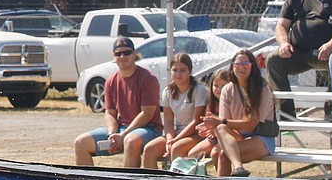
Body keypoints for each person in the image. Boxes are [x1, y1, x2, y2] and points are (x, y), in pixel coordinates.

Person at [73, 37, 163, 168]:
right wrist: (112, 135)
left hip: (149, 129)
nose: (122, 56)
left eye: (126, 52)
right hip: (121, 129)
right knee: (81, 143)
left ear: (134, 54)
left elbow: (147, 114)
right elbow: (110, 113)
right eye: (118, 53)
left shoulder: (148, 79)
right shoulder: (110, 81)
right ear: (113, 56)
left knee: (130, 141)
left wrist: (123, 135)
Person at [204, 49, 276, 177]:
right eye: (237, 65)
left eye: (246, 65)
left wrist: (221, 122)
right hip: (238, 136)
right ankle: (237, 169)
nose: (241, 68)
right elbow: (225, 125)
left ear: (252, 67)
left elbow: (251, 125)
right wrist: (213, 124)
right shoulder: (227, 89)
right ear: (232, 67)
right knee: (220, 128)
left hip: (261, 138)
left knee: (223, 155)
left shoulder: (263, 88)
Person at [143, 53, 208, 168]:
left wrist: (175, 140)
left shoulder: (199, 90)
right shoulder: (168, 91)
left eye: (182, 70)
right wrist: (169, 139)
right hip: (176, 134)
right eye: (175, 70)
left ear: (190, 71)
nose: (178, 74)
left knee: (177, 147)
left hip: (196, 134)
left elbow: (196, 121)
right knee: (149, 149)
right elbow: (168, 122)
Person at [185, 69, 232, 162]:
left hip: (228, 137)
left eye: (223, 86)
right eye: (216, 86)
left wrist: (213, 130)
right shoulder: (211, 104)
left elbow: (231, 126)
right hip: (213, 138)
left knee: (216, 154)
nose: (219, 89)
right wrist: (205, 128)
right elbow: (207, 123)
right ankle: (202, 174)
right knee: (192, 154)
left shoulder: (231, 103)